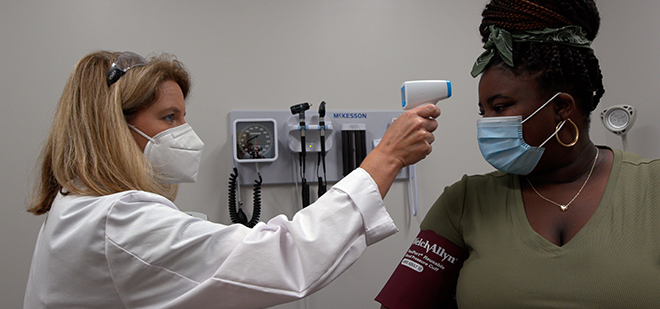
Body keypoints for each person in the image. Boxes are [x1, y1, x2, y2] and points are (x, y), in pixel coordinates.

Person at [24, 50, 441, 308]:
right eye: (169, 118)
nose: (184, 133)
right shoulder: (118, 220)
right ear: (114, 127)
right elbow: (285, 258)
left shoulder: (76, 204)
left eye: (183, 117)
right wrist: (385, 159)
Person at [376, 0, 660, 308]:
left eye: (500, 107)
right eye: (483, 112)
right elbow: (401, 303)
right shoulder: (465, 202)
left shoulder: (650, 190)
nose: (487, 123)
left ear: (561, 108)